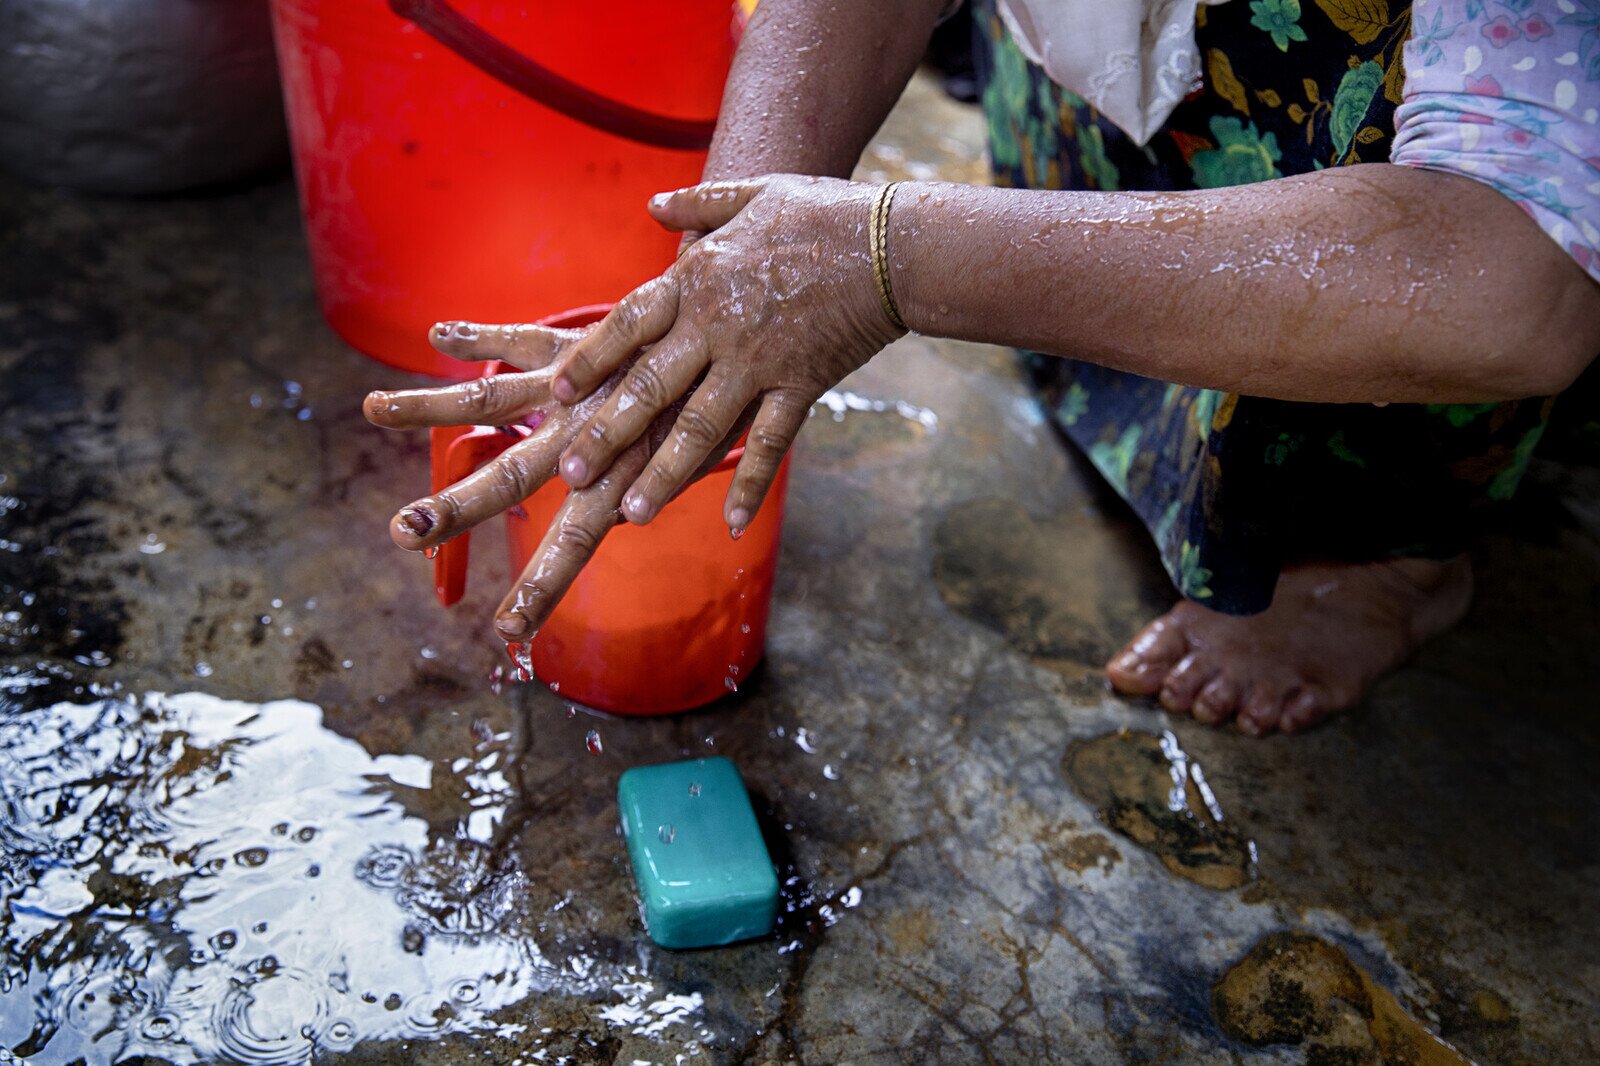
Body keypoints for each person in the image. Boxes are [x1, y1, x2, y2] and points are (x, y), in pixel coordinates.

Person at [365, 0, 1599, 736]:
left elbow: (1518, 281)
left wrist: (888, 261)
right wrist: (734, 264)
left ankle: (1382, 553)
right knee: (1083, 189)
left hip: (1422, 168)